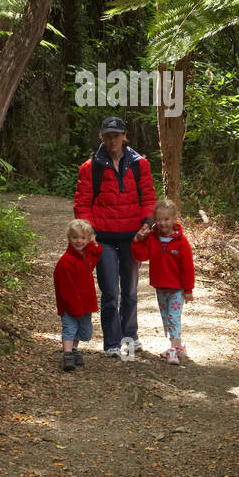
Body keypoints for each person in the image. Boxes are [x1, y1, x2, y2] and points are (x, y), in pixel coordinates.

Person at [73, 116, 157, 356]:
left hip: (133, 237)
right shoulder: (90, 167)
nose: (113, 140)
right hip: (104, 239)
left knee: (130, 291)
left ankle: (130, 337)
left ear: (124, 136)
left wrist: (147, 223)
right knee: (110, 291)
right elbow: (82, 204)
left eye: (117, 135)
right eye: (108, 135)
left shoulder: (140, 164)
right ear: (102, 137)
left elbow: (148, 197)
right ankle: (111, 343)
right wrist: (89, 232)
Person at [131, 197, 194, 364]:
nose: (163, 223)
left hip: (177, 289)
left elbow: (188, 268)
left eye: (166, 219)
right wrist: (138, 240)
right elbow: (141, 256)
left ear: (174, 219)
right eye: (159, 220)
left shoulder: (181, 242)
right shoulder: (152, 238)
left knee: (174, 318)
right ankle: (179, 346)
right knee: (166, 318)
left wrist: (188, 290)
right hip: (160, 286)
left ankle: (173, 350)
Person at [53, 219, 102, 372]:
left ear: (88, 239)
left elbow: (97, 254)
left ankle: (74, 349)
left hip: (85, 303)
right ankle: (67, 354)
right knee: (70, 327)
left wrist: (94, 243)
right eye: (75, 237)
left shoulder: (85, 256)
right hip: (71, 304)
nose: (79, 241)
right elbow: (66, 288)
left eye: (83, 238)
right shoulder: (66, 261)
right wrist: (74, 307)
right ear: (69, 238)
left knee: (84, 331)